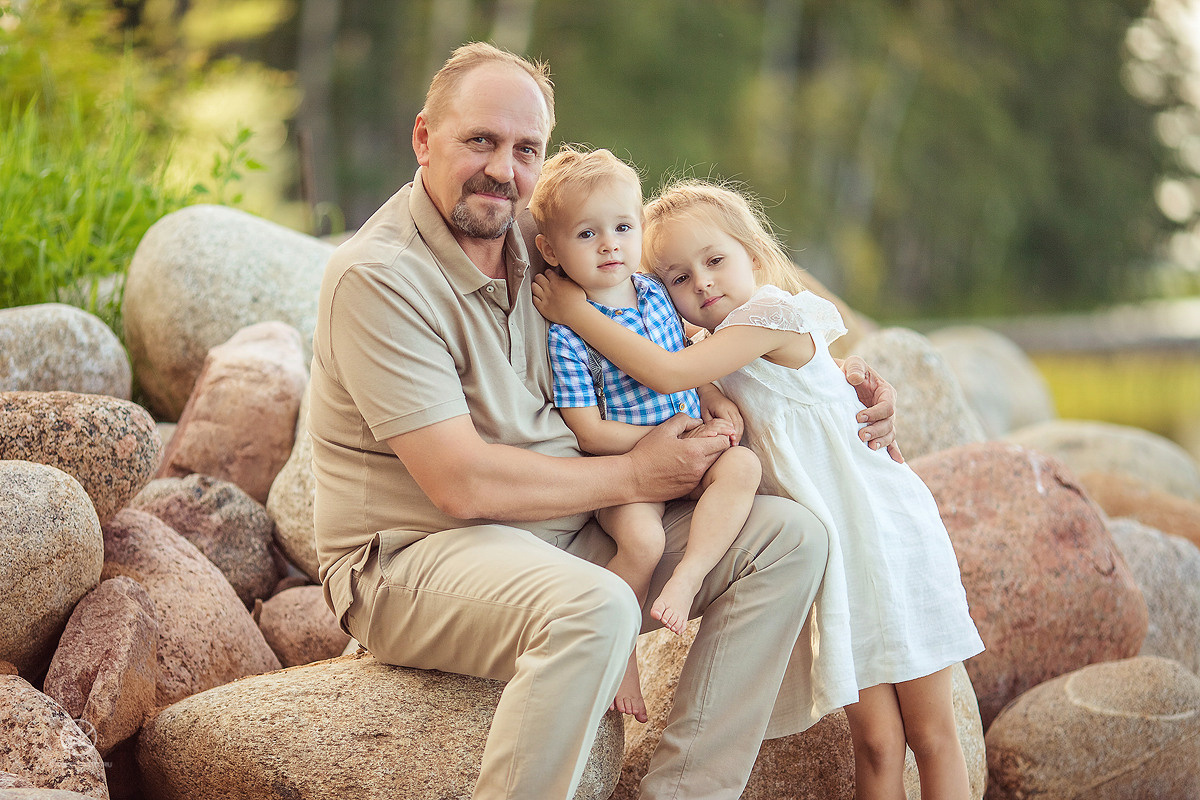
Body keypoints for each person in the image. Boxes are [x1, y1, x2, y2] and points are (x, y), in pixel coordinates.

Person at [309, 41, 899, 800]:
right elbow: (460, 484)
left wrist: (829, 375)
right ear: (424, 138)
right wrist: (635, 473)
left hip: (571, 527)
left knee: (790, 539)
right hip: (416, 556)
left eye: (525, 149)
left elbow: (694, 301)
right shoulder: (379, 278)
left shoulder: (549, 242)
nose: (503, 170)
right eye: (480, 140)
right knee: (595, 604)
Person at [532, 178, 985, 800]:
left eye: (715, 260)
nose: (702, 284)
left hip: (886, 536)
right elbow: (699, 368)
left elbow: (667, 371)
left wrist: (575, 311)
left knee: (931, 735)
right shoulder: (712, 348)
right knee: (877, 742)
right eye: (678, 278)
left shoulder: (770, 316)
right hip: (839, 558)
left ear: (752, 253)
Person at [527, 145, 762, 724]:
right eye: (587, 234)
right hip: (629, 471)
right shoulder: (566, 334)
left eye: (623, 228)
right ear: (550, 250)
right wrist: (655, 450)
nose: (609, 245)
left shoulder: (656, 292)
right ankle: (621, 646)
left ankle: (690, 575)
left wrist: (712, 398)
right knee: (642, 543)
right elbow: (587, 431)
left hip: (691, 445)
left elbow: (685, 356)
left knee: (743, 468)